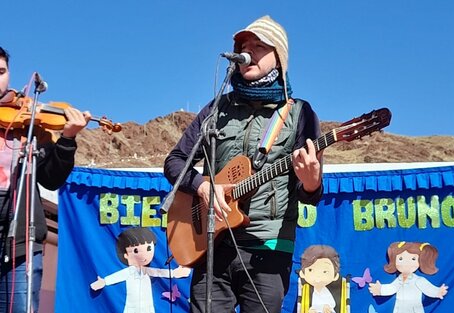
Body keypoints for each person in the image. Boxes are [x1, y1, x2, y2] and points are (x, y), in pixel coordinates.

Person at [164, 16, 323, 313]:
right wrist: (202, 186)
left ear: (279, 57)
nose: (247, 51)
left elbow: (309, 193)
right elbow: (175, 162)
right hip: (213, 245)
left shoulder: (300, 112)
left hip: (268, 248)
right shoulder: (216, 109)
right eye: (243, 46)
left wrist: (312, 181)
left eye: (259, 46)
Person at [0, 46, 91, 313]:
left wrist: (67, 138)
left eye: (2, 72)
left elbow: (51, 179)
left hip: (19, 242)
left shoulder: (28, 121)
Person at [90, 227, 191, 313]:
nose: (143, 255)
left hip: (147, 307)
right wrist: (104, 281)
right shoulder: (129, 272)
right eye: (136, 250)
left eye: (149, 249)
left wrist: (174, 273)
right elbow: (117, 276)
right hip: (132, 308)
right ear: (126, 255)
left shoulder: (147, 271)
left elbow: (158, 272)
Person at [368, 241, 448, 313]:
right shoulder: (399, 279)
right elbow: (392, 288)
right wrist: (380, 290)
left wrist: (437, 292)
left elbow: (427, 288)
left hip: (414, 309)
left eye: (413, 259)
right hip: (400, 309)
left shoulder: (418, 280)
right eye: (400, 259)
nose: (406, 263)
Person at [298, 245, 340, 313]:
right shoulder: (309, 290)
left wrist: (327, 307)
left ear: (335, 276)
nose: (318, 276)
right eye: (311, 270)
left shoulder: (325, 291)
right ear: (302, 274)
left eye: (325, 271)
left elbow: (332, 303)